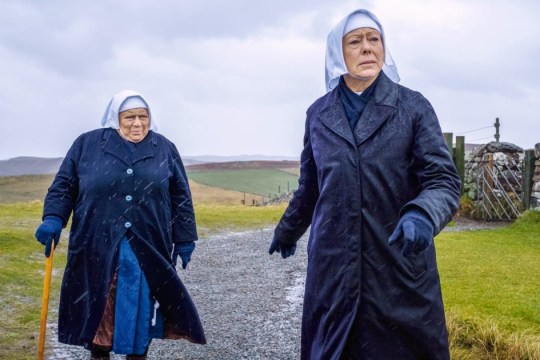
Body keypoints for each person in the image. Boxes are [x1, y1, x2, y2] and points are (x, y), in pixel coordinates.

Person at [269, 9, 460, 360]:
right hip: (332, 269)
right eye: (355, 41)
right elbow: (311, 187)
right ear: (336, 53)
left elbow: (443, 180)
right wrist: (288, 229)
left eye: (375, 39)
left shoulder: (413, 107)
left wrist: (422, 214)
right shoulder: (318, 114)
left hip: (396, 268)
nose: (368, 48)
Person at [35, 90, 206, 359]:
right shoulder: (87, 144)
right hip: (96, 241)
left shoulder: (164, 148)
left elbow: (180, 196)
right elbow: (64, 187)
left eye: (143, 117)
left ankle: (137, 354)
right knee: (99, 306)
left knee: (140, 305)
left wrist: (184, 238)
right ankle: (99, 355)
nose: (137, 123)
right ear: (116, 118)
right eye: (130, 117)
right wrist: (54, 218)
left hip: (147, 242)